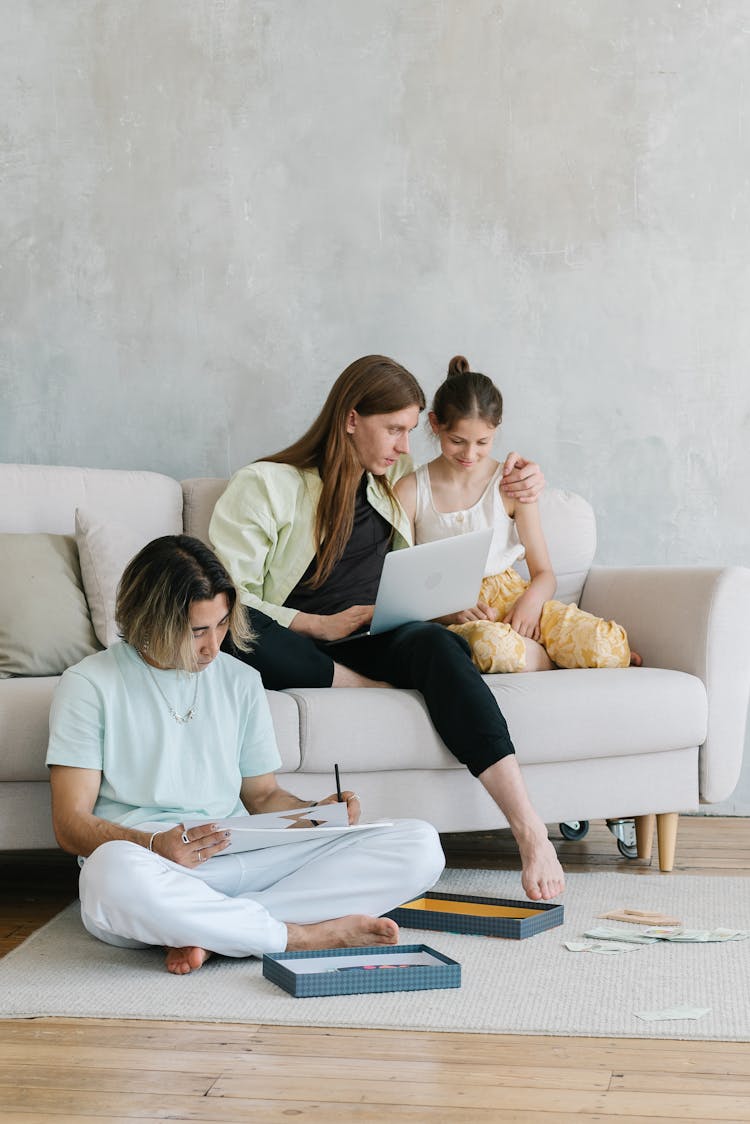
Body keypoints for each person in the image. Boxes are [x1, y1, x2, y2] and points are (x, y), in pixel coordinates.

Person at [209, 354, 565, 902]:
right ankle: (366, 688)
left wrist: (524, 472)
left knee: (440, 647)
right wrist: (317, 624)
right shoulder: (266, 485)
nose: (404, 446)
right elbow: (227, 597)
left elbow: (469, 445)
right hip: (297, 638)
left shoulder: (393, 480)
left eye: (409, 430)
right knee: (233, 631)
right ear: (352, 419)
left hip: (377, 633)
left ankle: (527, 826)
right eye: (393, 430)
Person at [46, 535, 445, 975]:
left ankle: (214, 931)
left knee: (420, 844)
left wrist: (314, 814)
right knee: (108, 876)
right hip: (157, 866)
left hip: (246, 855)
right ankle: (296, 935)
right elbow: (70, 825)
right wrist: (155, 846)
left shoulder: (240, 680)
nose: (214, 646)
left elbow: (263, 795)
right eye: (198, 630)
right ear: (150, 619)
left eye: (221, 625)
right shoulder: (88, 684)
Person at [394, 355, 641, 674]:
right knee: (492, 647)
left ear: (496, 431)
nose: (469, 454)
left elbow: (544, 574)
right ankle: (548, 659)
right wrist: (446, 611)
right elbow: (405, 585)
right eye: (457, 441)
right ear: (434, 424)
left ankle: (571, 653)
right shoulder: (411, 490)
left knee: (605, 645)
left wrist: (531, 603)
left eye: (482, 442)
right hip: (456, 611)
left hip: (515, 595)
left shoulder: (511, 483)